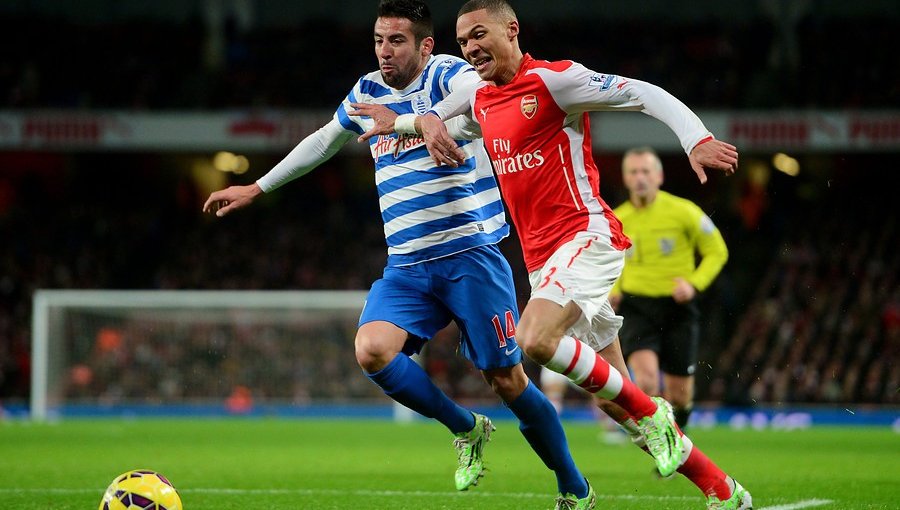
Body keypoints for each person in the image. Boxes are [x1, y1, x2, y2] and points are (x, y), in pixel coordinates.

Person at [350, 1, 752, 508]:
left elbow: (644, 94)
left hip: (586, 236)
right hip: (543, 262)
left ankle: (656, 416)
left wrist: (696, 138)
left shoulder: (556, 81)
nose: (471, 48)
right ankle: (722, 489)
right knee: (617, 402)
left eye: (480, 35)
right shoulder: (480, 97)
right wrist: (404, 122)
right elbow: (442, 119)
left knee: (534, 340)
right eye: (463, 41)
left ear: (512, 30)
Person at [203, 1, 599, 507]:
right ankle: (467, 429)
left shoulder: (450, 75)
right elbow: (325, 140)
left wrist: (419, 120)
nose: (384, 52)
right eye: (378, 41)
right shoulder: (366, 91)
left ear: (426, 45)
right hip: (408, 263)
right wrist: (258, 186)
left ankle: (574, 485)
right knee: (371, 349)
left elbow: (479, 94)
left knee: (508, 380)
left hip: (470, 254)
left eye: (397, 41)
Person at [612, 146, 729, 430]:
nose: (640, 178)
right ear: (625, 178)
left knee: (680, 394)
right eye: (633, 172)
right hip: (637, 307)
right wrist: (612, 290)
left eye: (645, 171)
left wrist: (694, 284)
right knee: (647, 380)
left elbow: (717, 251)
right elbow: (608, 260)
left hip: (677, 307)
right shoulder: (616, 219)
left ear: (659, 176)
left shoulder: (684, 211)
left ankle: (680, 435)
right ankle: (665, 442)